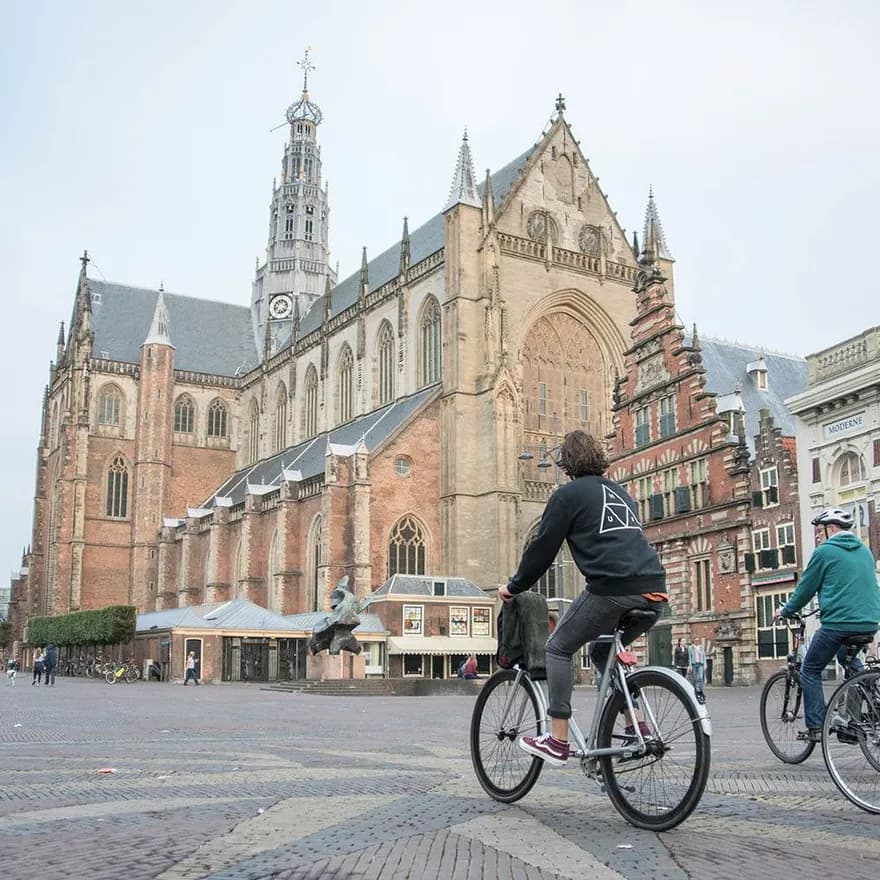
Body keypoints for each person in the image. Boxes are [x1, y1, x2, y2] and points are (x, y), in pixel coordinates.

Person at [498, 430, 667, 767]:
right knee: (604, 652)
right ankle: (639, 726)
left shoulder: (568, 495)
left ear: (565, 465)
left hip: (613, 589)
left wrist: (514, 586)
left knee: (557, 648)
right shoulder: (622, 494)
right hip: (655, 592)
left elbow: (541, 551)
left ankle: (557, 740)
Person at [778, 507, 880, 743]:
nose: (817, 536)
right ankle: (852, 720)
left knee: (810, 670)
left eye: (819, 531)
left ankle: (817, 726)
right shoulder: (865, 551)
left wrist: (786, 610)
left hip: (839, 624)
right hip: (868, 623)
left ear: (831, 529)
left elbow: (805, 589)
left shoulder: (824, 552)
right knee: (852, 664)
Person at [688, 638, 706, 702]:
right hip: (694, 664)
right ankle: (694, 689)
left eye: (698, 640)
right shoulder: (690, 648)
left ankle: (701, 689)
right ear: (694, 641)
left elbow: (704, 656)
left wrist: (705, 665)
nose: (697, 641)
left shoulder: (701, 647)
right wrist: (690, 665)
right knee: (694, 678)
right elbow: (690, 657)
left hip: (700, 664)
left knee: (701, 677)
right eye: (695, 640)